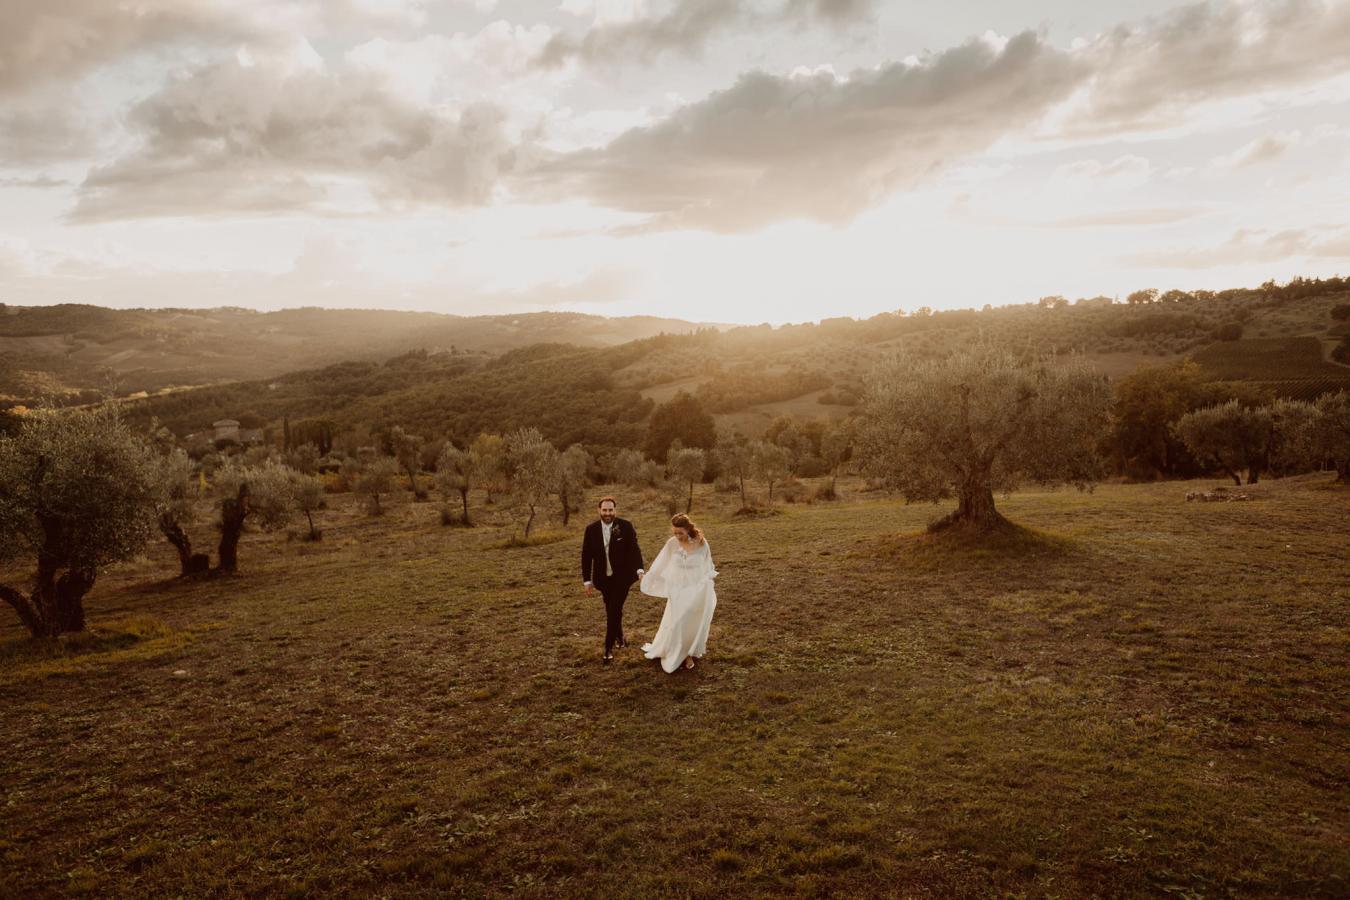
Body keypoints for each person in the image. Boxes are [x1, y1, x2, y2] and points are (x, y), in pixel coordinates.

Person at [640, 513, 718, 673]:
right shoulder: (671, 544)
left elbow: (708, 564)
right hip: (677, 589)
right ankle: (678, 652)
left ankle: (688, 652)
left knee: (691, 620)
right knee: (679, 621)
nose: (677, 536)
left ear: (688, 529)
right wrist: (649, 577)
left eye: (680, 533)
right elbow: (660, 563)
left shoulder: (702, 543)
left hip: (695, 588)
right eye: (675, 533)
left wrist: (707, 582)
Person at [581, 497, 645, 664]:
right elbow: (586, 556)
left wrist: (639, 570)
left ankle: (608, 647)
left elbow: (634, 549)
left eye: (610, 510)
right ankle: (621, 638)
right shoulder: (591, 530)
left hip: (623, 577)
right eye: (605, 510)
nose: (607, 513)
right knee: (612, 609)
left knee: (613, 609)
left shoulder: (625, 526)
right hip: (603, 579)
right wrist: (587, 580)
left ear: (615, 510)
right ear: (599, 510)